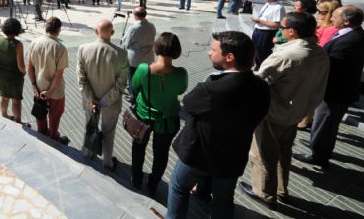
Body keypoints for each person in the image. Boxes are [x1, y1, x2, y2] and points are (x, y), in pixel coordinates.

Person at [166, 31, 270, 219]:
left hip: (200, 154)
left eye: (213, 49)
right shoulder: (262, 87)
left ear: (229, 57)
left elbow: (188, 104)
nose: (208, 53)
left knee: (178, 187)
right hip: (233, 156)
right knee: (223, 200)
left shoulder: (212, 88)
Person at [240, 12, 329, 209]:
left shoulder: (286, 55)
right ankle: (281, 189)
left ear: (292, 32)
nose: (279, 30)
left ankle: (265, 193)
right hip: (296, 112)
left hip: (273, 113)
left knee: (263, 154)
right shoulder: (319, 51)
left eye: (281, 27)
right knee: (283, 152)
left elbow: (259, 81)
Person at [294, 6, 364, 167]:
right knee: (323, 124)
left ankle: (319, 155)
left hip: (335, 92)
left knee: (326, 124)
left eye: (334, 16)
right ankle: (317, 145)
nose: (331, 19)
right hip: (338, 90)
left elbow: (331, 67)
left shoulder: (349, 41)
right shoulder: (354, 34)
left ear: (346, 21)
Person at [131, 33, 188, 196]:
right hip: (168, 120)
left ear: (156, 48)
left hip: (143, 117)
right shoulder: (181, 73)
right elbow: (181, 90)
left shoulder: (144, 69)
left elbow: (135, 87)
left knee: (138, 148)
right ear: (177, 51)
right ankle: (153, 184)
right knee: (161, 154)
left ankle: (136, 180)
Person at [77, 19, 129, 171]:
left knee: (90, 127)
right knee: (109, 132)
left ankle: (87, 154)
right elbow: (121, 84)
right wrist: (104, 101)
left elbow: (81, 79)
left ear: (95, 32)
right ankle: (107, 162)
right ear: (112, 33)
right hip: (111, 104)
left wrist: (91, 99)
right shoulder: (122, 54)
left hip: (89, 102)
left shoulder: (83, 49)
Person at [27, 17, 69, 143]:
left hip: (39, 87)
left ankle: (42, 134)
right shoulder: (61, 48)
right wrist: (50, 91)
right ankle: (54, 137)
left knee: (40, 113)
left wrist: (34, 86)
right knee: (55, 115)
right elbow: (59, 74)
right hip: (56, 91)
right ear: (59, 30)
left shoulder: (34, 43)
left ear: (46, 27)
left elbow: (29, 67)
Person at [0, 18, 27, 123]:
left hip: (1, 74)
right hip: (15, 77)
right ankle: (18, 121)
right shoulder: (18, 45)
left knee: (4, 97)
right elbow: (21, 65)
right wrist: (24, 72)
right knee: (16, 100)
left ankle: (4, 115)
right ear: (17, 30)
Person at [122, 7, 157, 101]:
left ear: (136, 16)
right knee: (145, 76)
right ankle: (144, 94)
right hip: (148, 57)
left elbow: (126, 43)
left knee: (132, 78)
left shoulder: (134, 28)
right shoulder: (152, 25)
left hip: (135, 59)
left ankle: (132, 96)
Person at [251, 0, 285, 69]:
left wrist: (260, 21)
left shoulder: (278, 8)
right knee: (255, 50)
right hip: (258, 30)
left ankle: (264, 68)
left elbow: (276, 24)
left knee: (263, 52)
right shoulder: (267, 4)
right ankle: (258, 65)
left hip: (266, 33)